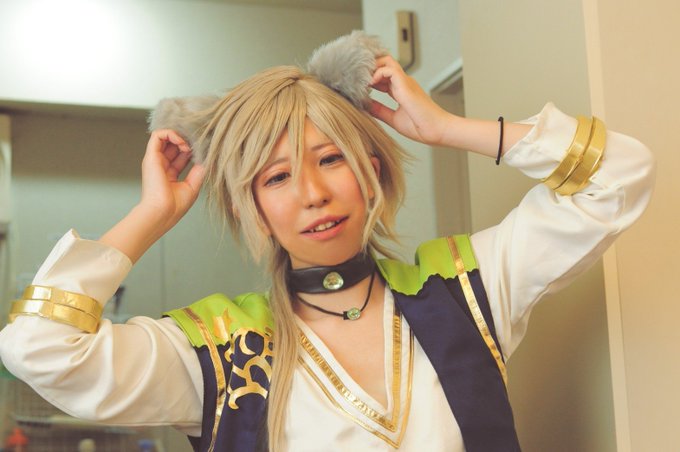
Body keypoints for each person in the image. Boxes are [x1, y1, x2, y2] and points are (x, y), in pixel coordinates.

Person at [0, 32, 654, 452]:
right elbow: (39, 347)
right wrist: (152, 213)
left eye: (331, 158)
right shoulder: (216, 352)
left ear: (370, 168)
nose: (312, 192)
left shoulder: (465, 289)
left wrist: (446, 128)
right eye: (276, 177)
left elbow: (620, 176)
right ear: (251, 206)